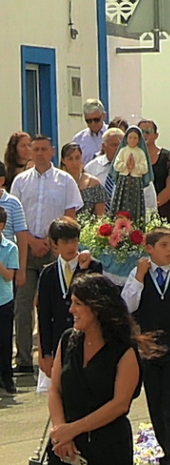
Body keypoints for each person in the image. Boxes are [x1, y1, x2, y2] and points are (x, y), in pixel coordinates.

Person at [47, 274, 146, 465]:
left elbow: (120, 404)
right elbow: (54, 390)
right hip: (66, 447)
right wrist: (61, 433)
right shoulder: (67, 340)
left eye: (78, 304)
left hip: (108, 448)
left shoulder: (124, 349)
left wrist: (74, 429)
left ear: (97, 307)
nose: (71, 309)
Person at [122, 229, 170, 465]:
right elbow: (127, 306)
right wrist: (139, 276)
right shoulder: (138, 275)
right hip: (148, 348)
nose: (169, 250)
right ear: (149, 248)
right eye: (163, 245)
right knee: (156, 403)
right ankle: (167, 449)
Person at [11, 135, 82, 375]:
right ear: (30, 152)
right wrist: (32, 241)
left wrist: (53, 242)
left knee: (58, 304)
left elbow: (70, 216)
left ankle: (61, 352)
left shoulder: (65, 181)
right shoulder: (20, 182)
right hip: (27, 250)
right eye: (36, 149)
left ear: (52, 151)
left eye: (44, 149)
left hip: (55, 250)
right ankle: (23, 359)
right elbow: (14, 217)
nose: (40, 153)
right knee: (23, 305)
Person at [37, 217, 103, 378]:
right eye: (65, 242)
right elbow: (44, 315)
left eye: (74, 241)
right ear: (54, 244)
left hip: (86, 339)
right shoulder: (48, 273)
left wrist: (82, 270)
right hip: (58, 341)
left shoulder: (92, 267)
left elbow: (96, 304)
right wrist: (46, 353)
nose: (71, 247)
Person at [108, 126, 153, 222]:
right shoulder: (123, 151)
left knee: (134, 204)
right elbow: (116, 165)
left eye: (135, 138)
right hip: (123, 181)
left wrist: (134, 167)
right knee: (120, 202)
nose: (132, 140)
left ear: (139, 140)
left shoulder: (140, 152)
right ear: (126, 138)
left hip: (136, 182)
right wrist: (126, 165)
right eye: (130, 137)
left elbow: (145, 168)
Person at [138, 120, 170, 223]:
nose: (144, 135)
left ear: (156, 135)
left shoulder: (169, 158)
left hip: (164, 210)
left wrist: (152, 206)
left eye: (148, 131)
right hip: (138, 210)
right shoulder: (132, 157)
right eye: (141, 132)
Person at [60, 143, 107, 217]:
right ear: (63, 160)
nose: (74, 163)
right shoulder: (57, 182)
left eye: (77, 158)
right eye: (70, 159)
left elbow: (101, 216)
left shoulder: (93, 183)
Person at [0, 207, 18, 393]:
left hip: (3, 301)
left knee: (5, 341)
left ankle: (7, 378)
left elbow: (8, 276)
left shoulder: (11, 248)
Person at [84, 127, 124, 199]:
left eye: (121, 145)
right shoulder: (91, 168)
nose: (118, 149)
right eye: (113, 145)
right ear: (104, 146)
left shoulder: (132, 167)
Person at [0, 165, 27, 272]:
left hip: (7, 264)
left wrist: (21, 270)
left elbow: (22, 238)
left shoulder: (13, 203)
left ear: (1, 180)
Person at [72, 98, 108, 164]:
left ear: (103, 116)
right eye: (89, 121)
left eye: (96, 120)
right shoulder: (78, 139)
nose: (93, 123)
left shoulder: (113, 134)